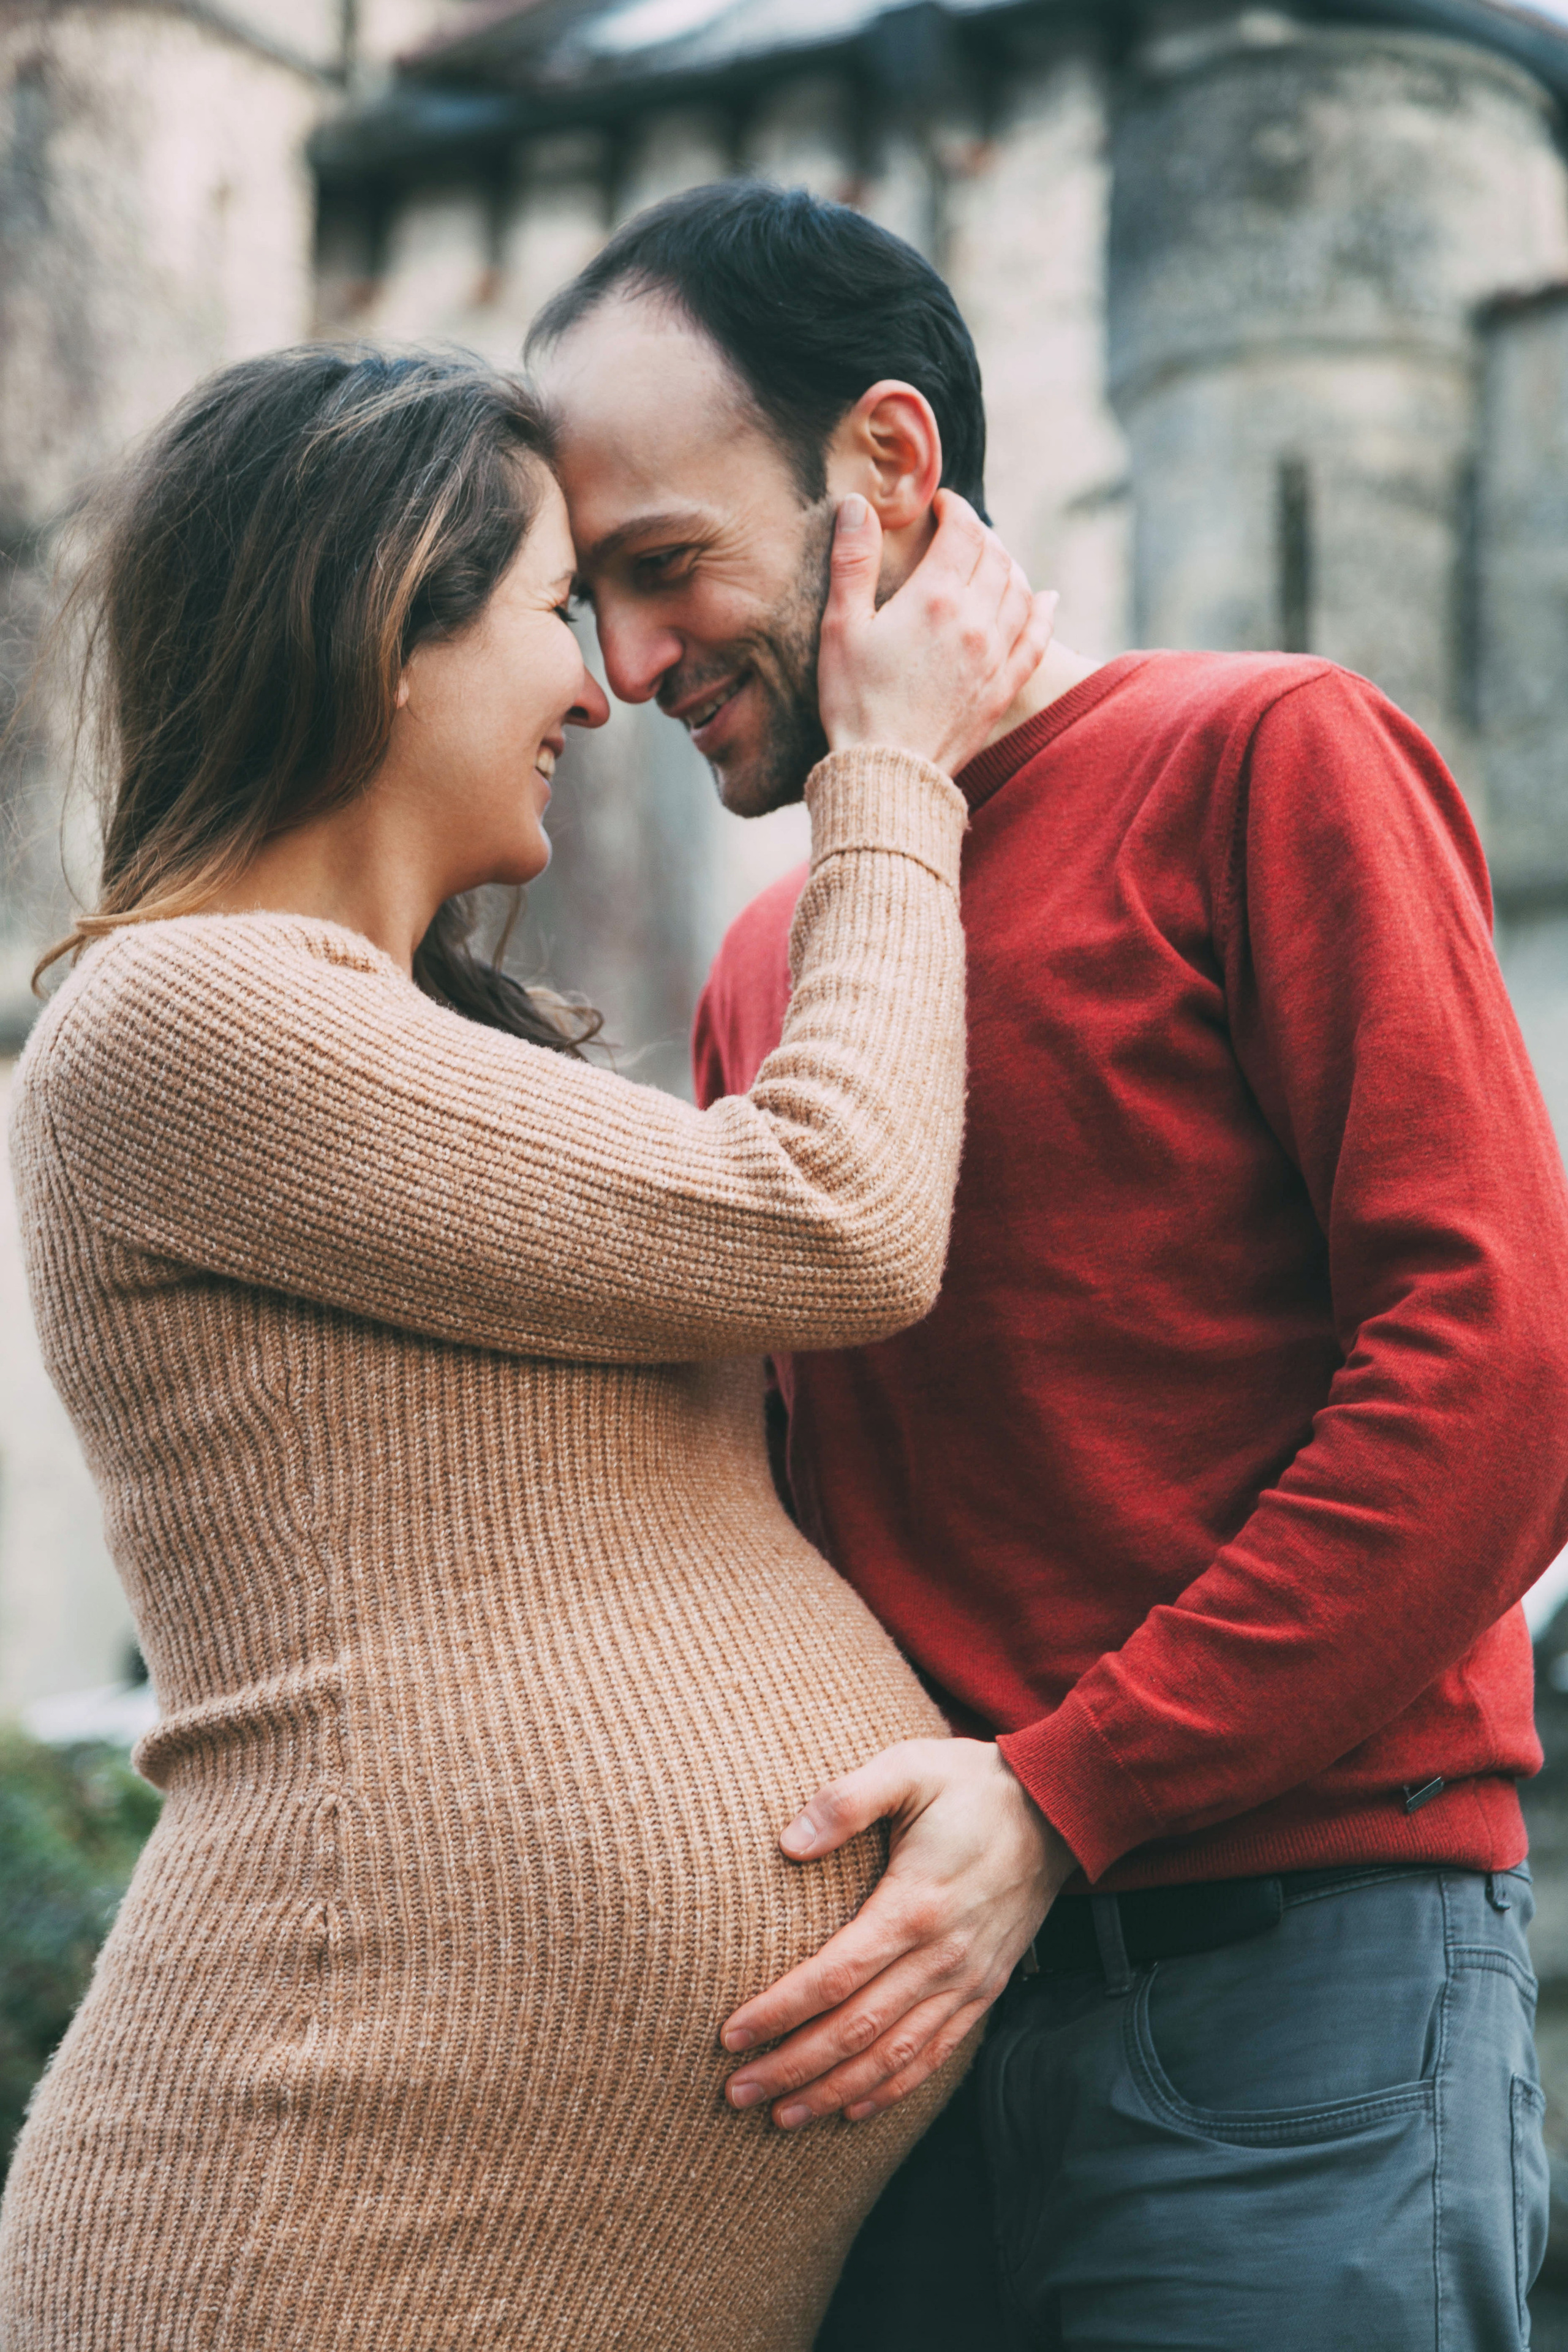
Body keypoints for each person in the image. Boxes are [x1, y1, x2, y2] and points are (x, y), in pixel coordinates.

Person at [529, 180, 1568, 2348]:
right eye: (588, 604)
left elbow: (1501, 1376)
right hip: (903, 2040)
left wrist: (1070, 1791)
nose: (623, 674)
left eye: (661, 569)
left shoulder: (1266, 757)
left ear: (886, 472)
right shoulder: (767, 969)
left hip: (1294, 1987)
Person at [0, 344, 1055, 2351]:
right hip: (317, 2217)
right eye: (553, 609)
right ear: (382, 627)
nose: (601, 684)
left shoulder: (391, 1043)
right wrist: (893, 771)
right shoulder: (177, 1023)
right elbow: (832, 1215)